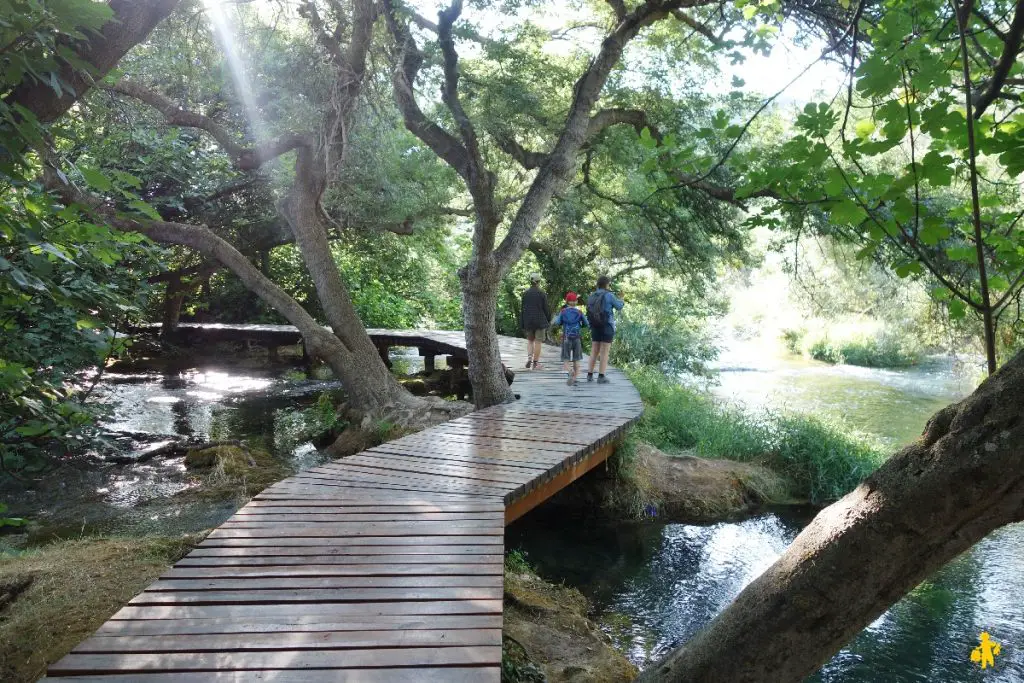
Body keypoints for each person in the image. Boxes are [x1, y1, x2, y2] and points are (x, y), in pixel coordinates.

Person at [585, 275, 624, 384]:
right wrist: (621, 298)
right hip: (607, 326)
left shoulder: (592, 296)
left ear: (597, 284)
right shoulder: (609, 296)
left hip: (595, 326)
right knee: (604, 351)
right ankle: (601, 376)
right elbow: (619, 306)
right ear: (607, 284)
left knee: (594, 350)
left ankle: (589, 375)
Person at [551, 292, 589, 385]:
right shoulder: (579, 312)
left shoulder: (563, 312)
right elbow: (586, 323)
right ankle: (575, 378)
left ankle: (570, 371)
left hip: (566, 338)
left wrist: (558, 321)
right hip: (577, 338)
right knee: (576, 359)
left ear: (566, 301)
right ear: (576, 301)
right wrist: (581, 325)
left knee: (566, 360)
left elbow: (557, 322)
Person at [520, 273, 551, 370]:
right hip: (540, 321)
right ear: (538, 282)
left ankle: (529, 358)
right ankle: (535, 363)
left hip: (528, 321)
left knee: (530, 341)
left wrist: (523, 322)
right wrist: (548, 319)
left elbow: (523, 309)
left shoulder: (525, 293)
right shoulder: (541, 293)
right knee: (538, 342)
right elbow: (546, 309)